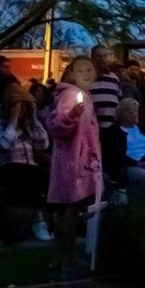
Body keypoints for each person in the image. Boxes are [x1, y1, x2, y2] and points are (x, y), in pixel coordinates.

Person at [46, 56, 102, 273]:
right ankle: (65, 259)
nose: (87, 74)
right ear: (70, 73)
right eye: (81, 70)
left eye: (90, 69)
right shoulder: (71, 96)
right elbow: (56, 125)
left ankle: (61, 258)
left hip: (80, 163)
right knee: (69, 211)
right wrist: (71, 115)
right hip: (73, 164)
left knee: (70, 211)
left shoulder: (83, 96)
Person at [0, 83, 51, 241]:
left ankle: (41, 220)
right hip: (7, 166)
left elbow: (43, 144)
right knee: (35, 173)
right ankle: (38, 219)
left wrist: (34, 118)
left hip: (30, 167)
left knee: (43, 173)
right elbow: (4, 144)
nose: (22, 110)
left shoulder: (28, 122)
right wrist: (13, 119)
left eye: (25, 106)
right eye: (19, 106)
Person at [100, 98, 145, 200]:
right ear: (120, 113)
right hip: (129, 166)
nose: (133, 113)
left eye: (135, 110)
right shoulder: (112, 132)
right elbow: (114, 157)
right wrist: (138, 163)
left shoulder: (143, 130)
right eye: (129, 110)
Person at [88, 45, 122, 130]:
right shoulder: (86, 77)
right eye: (99, 56)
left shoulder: (114, 78)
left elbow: (119, 98)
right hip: (92, 126)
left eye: (105, 56)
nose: (102, 59)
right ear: (92, 58)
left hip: (112, 126)